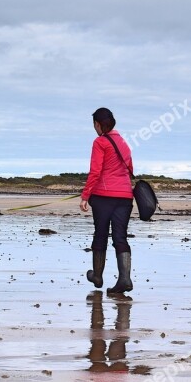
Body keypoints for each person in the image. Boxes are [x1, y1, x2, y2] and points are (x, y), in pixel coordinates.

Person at [80, 107, 134, 294]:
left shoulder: (100, 142)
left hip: (104, 197)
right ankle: (125, 279)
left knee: (100, 234)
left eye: (94, 124)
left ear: (98, 124)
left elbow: (95, 171)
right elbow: (129, 169)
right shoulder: (124, 143)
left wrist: (85, 195)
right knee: (120, 237)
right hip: (125, 196)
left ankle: (97, 275)